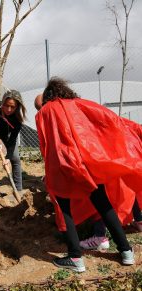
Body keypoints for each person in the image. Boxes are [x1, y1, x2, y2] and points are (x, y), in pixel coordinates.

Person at [35, 77, 142, 272]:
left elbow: (46, 145)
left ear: (48, 96)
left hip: (62, 165)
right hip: (87, 165)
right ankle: (126, 252)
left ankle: (76, 258)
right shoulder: (79, 105)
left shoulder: (45, 112)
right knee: (103, 204)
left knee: (64, 207)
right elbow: (106, 119)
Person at [0, 90, 26, 197]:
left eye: (12, 107)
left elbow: (12, 140)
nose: (9, 109)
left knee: (15, 158)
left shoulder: (17, 120)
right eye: (6, 105)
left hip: (5, 136)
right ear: (2, 102)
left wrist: (8, 157)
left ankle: (18, 190)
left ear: (17, 107)